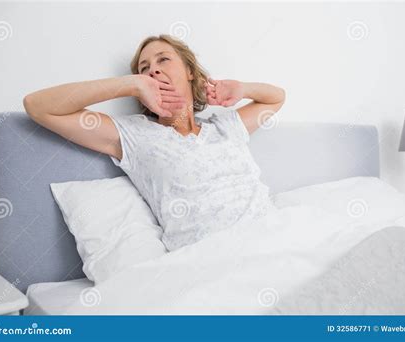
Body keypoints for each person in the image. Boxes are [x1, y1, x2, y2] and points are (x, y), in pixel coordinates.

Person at [23, 34, 286, 251]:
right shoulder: (134, 135)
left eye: (163, 60)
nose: (154, 70)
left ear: (190, 72)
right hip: (209, 257)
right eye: (144, 68)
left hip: (272, 239)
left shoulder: (225, 127)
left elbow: (276, 98)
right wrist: (131, 84)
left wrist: (243, 89)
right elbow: (38, 106)